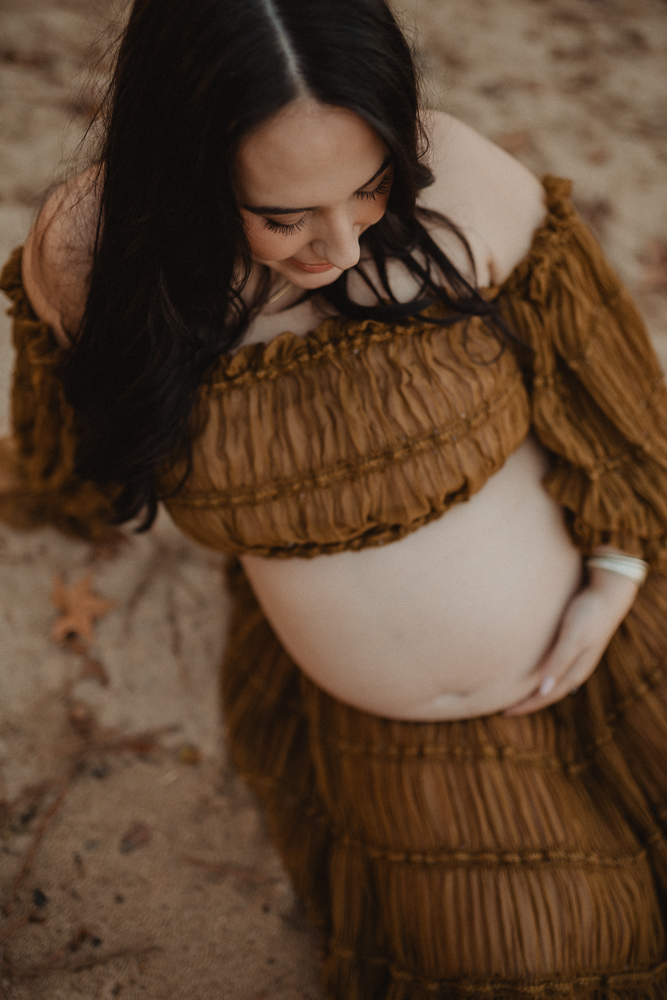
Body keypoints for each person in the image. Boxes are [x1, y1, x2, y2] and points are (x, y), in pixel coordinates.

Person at [2, 0, 667, 995]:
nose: (343, 249)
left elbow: (604, 383)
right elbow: (76, 443)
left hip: (617, 616)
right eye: (282, 216)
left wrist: (616, 571)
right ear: (181, 167)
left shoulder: (466, 186)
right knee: (541, 959)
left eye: (368, 188)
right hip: (396, 742)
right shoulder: (97, 261)